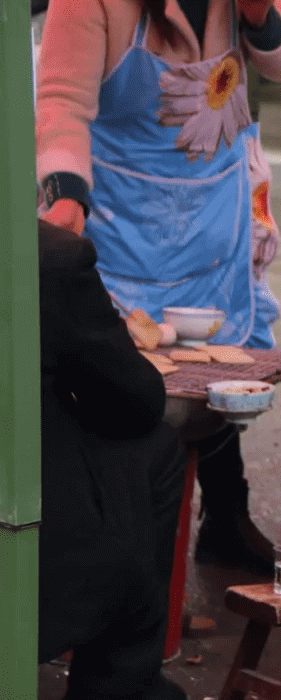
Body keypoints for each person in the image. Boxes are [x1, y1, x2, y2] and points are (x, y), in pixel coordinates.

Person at [34, 0, 281, 573]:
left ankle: (225, 514)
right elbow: (62, 103)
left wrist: (260, 13)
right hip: (122, 217)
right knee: (128, 386)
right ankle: (117, 552)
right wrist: (64, 201)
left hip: (215, 205)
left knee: (217, 365)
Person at [38, 219, 189, 700]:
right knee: (158, 446)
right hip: (38, 580)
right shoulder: (45, 257)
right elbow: (134, 403)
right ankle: (120, 682)